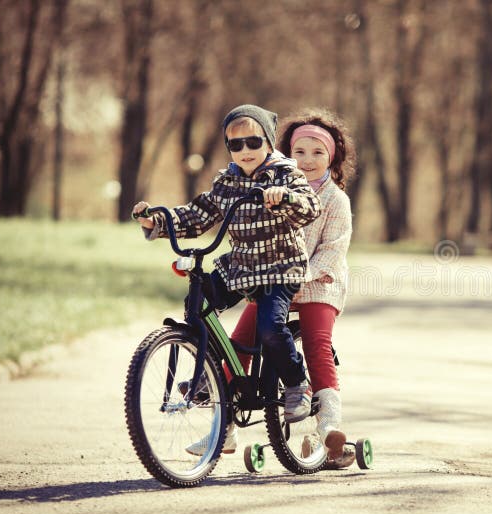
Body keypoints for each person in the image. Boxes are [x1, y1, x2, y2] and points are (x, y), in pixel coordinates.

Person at [132, 104, 321, 456]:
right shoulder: (227, 181)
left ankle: (297, 384)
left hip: (281, 268)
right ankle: (212, 372)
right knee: (198, 303)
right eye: (236, 145)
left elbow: (310, 207)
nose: (245, 151)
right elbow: (199, 214)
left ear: (267, 141)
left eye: (253, 142)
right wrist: (158, 220)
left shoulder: (285, 174)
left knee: (269, 326)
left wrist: (285, 199)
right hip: (240, 266)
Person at [230, 108, 355, 468]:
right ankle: (223, 420)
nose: (308, 160)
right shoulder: (273, 189)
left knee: (317, 344)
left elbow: (333, 251)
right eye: (299, 152)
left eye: (318, 153)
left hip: (318, 284)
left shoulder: (336, 201)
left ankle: (329, 422)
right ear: (286, 155)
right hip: (275, 281)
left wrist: (300, 274)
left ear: (332, 157)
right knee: (241, 340)